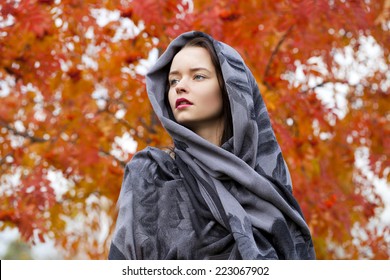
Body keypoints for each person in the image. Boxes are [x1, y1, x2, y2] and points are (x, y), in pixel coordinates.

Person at [108, 31, 316, 260]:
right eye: (173, 81)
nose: (179, 87)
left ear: (230, 88)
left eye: (198, 76)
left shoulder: (270, 186)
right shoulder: (152, 176)